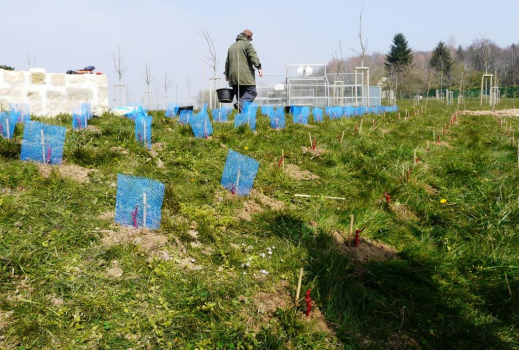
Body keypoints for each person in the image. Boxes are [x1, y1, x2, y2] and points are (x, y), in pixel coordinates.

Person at [224, 29, 263, 112]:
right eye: (250, 39)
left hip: (233, 77)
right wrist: (259, 67)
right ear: (248, 37)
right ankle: (240, 104)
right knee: (252, 92)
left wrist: (226, 74)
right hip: (245, 76)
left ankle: (242, 121)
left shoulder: (231, 46)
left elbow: (227, 62)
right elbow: (253, 56)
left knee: (241, 99)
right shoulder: (247, 45)